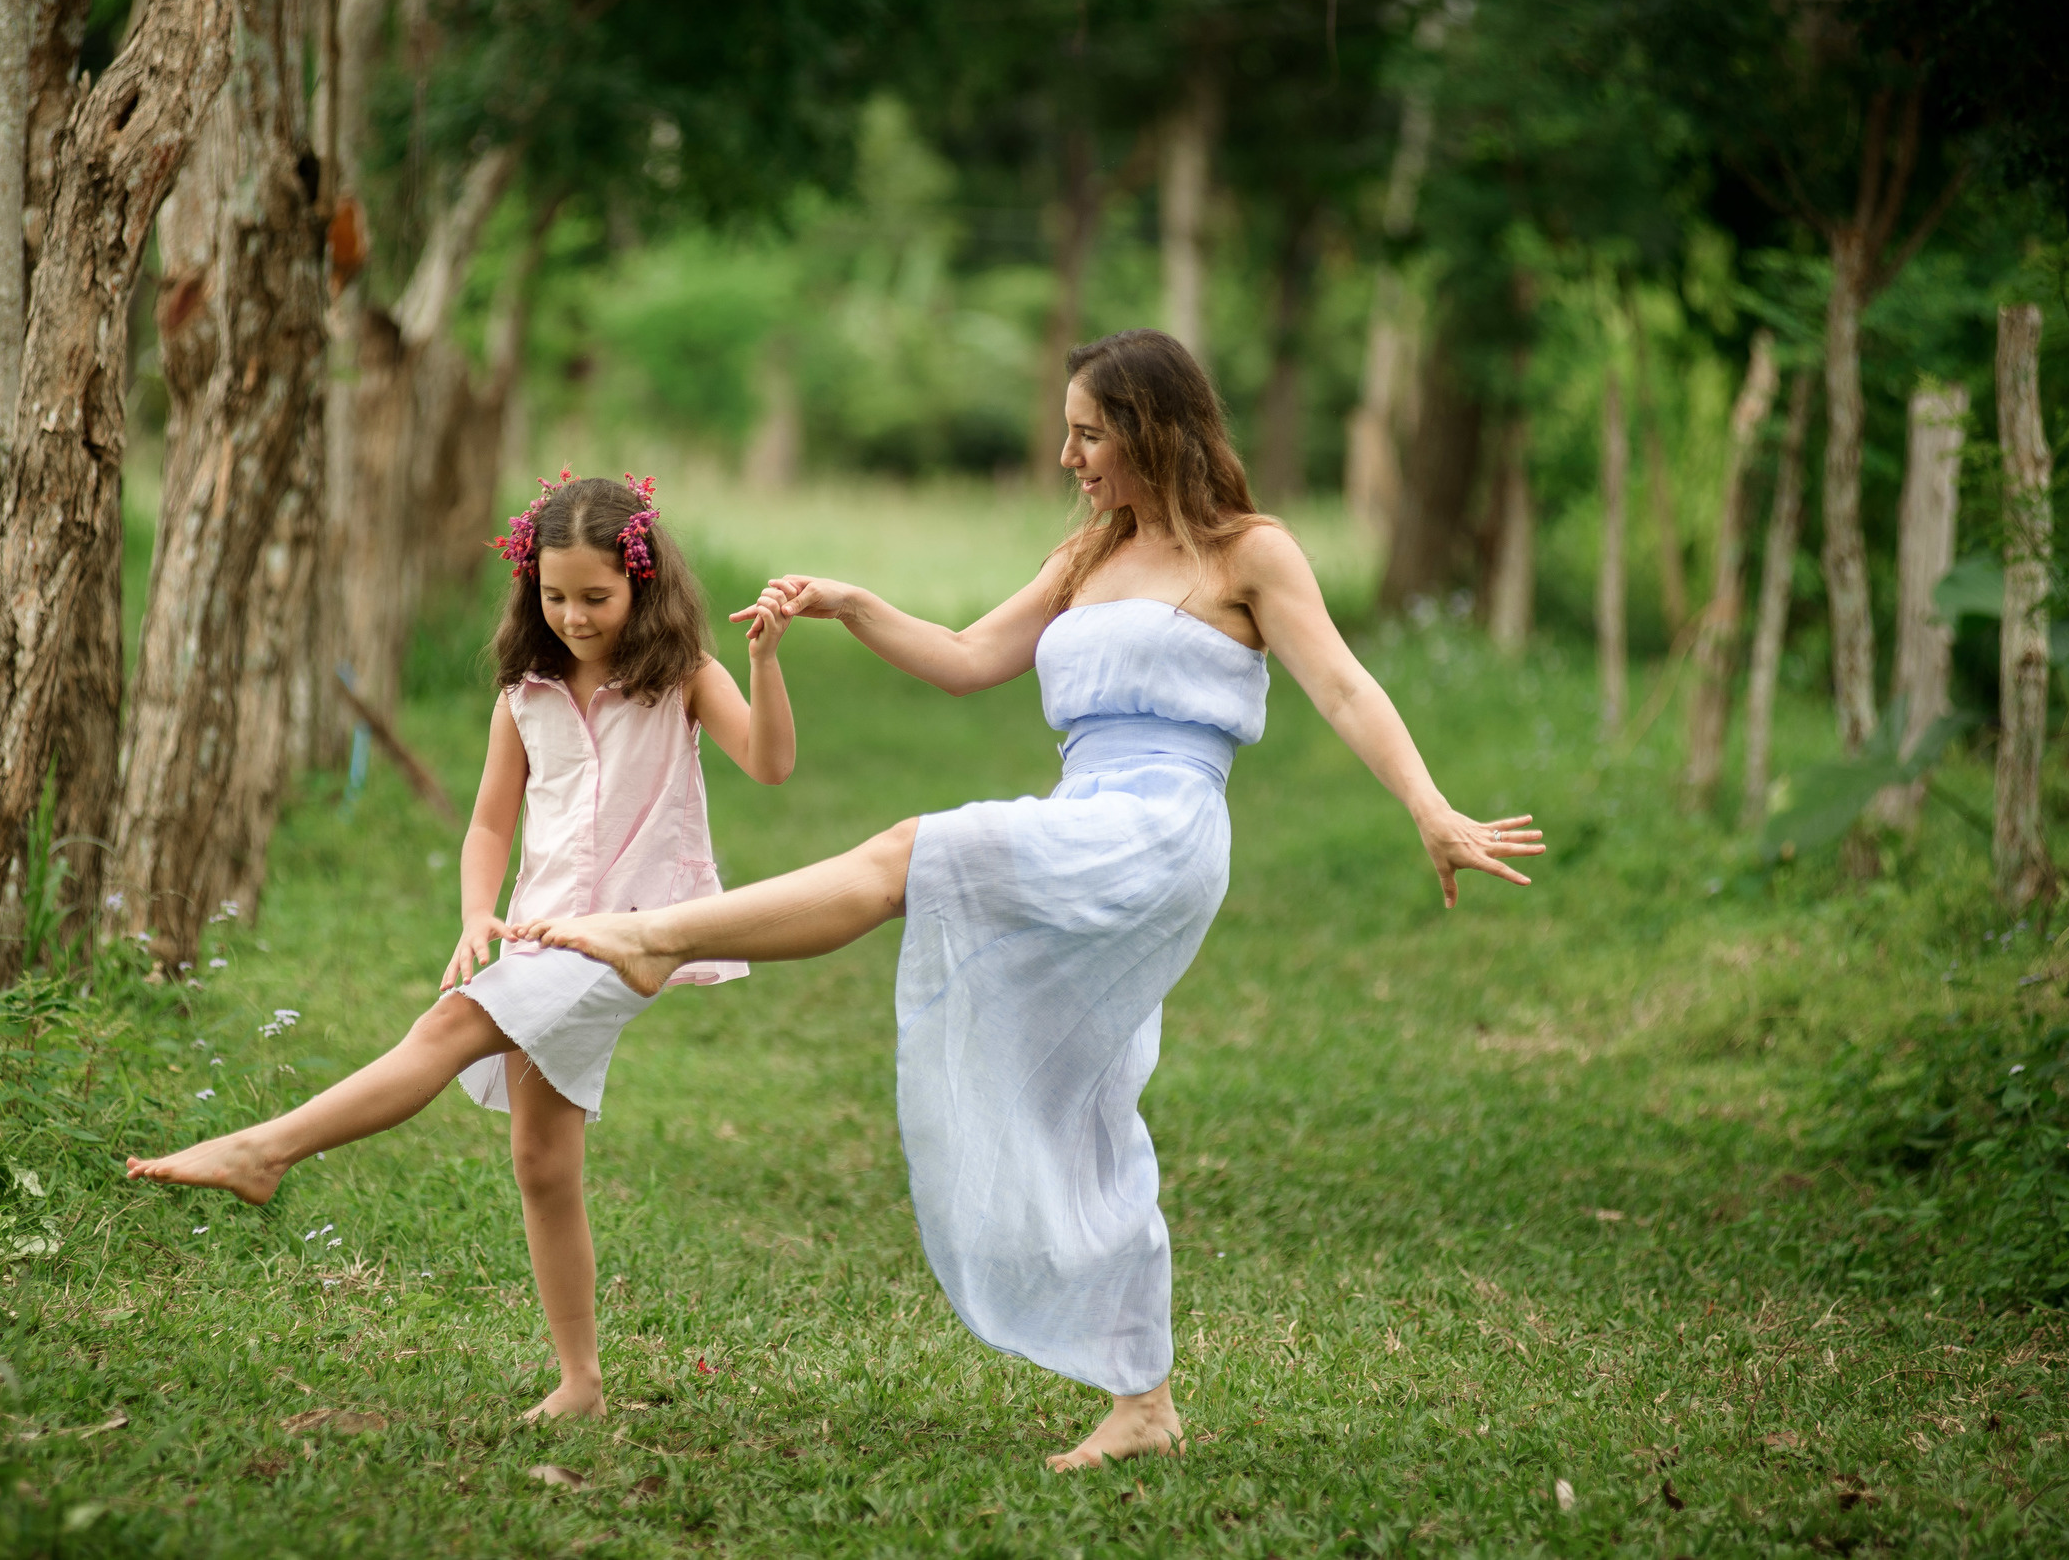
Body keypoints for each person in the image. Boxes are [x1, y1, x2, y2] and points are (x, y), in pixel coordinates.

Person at [521, 331, 1545, 1470]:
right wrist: (852, 604)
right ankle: (1142, 1398)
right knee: (1079, 1093)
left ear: (1153, 430)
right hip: (1085, 808)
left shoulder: (1250, 554)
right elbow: (965, 655)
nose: (1068, 454)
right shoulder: (1084, 558)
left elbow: (1345, 685)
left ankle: (659, 934)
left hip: (1160, 825)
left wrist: (1430, 807)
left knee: (913, 850)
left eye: (1088, 431)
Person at [128, 472, 797, 1424]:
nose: (572, 615)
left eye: (595, 597)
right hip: (539, 928)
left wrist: (763, 662)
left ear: (644, 584)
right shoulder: (524, 697)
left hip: (632, 935)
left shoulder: (684, 673)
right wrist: (476, 914)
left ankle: (265, 1148)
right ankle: (581, 1381)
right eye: (553, 596)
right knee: (542, 1161)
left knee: (447, 1027)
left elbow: (770, 764)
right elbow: (489, 828)